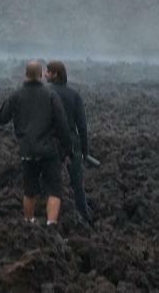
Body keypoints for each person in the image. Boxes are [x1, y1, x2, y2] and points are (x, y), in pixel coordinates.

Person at [0, 60, 72, 225]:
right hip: (48, 150)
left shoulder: (16, 96)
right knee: (54, 190)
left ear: (25, 75)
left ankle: (28, 222)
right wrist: (66, 149)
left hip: (28, 151)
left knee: (29, 190)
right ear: (41, 75)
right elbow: (62, 124)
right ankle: (51, 225)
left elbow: (0, 118)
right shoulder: (50, 95)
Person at [44, 61, 93, 224]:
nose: (45, 74)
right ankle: (85, 217)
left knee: (49, 182)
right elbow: (82, 125)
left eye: (48, 72)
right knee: (77, 183)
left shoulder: (46, 94)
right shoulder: (74, 95)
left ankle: (50, 218)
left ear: (55, 74)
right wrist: (84, 151)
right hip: (72, 142)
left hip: (51, 142)